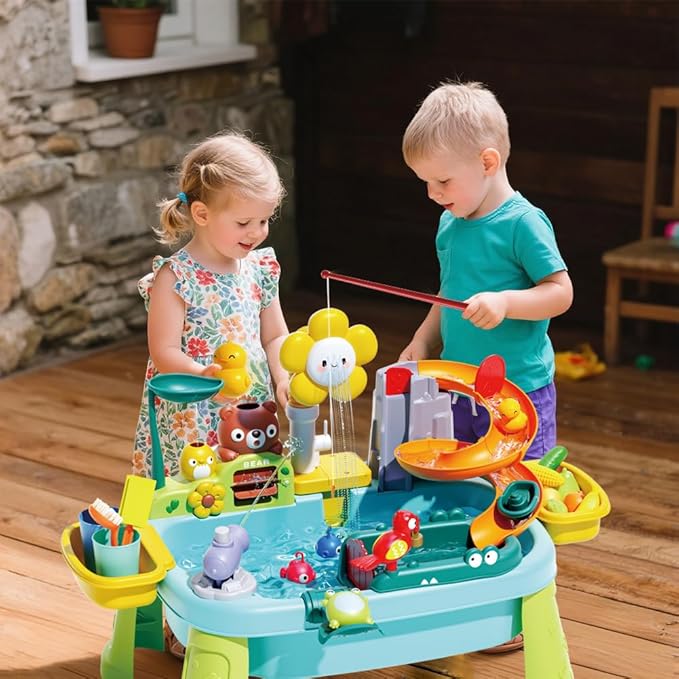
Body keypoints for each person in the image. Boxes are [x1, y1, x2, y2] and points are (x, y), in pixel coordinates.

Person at [399, 79, 573, 654]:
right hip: (460, 387)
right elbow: (446, 295)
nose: (433, 194)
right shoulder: (451, 221)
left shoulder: (524, 223)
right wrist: (422, 339)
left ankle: (519, 607)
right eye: (425, 183)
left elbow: (560, 292)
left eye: (442, 181)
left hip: (517, 393)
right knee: (468, 487)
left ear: (488, 162)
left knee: (516, 493)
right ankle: (476, 590)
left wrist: (506, 303)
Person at [132, 132, 290, 481]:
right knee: (198, 488)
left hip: (248, 407)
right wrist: (204, 374)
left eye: (264, 220)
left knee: (246, 482)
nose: (256, 232)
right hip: (193, 411)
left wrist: (283, 378)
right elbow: (163, 351)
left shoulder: (259, 268)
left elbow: (275, 336)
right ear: (202, 214)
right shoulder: (175, 277)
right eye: (244, 223)